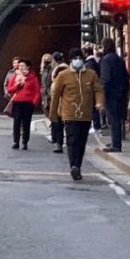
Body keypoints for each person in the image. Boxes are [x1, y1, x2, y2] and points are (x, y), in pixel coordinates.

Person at [47, 53, 104, 182]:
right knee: (72, 140)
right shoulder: (63, 75)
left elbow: (99, 89)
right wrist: (53, 114)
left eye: (80, 58)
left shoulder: (91, 74)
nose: (78, 60)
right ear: (71, 60)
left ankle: (78, 164)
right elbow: (56, 95)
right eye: (75, 58)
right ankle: (73, 165)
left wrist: (99, 102)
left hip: (85, 114)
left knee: (82, 141)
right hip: (69, 113)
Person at [3, 57, 41, 150]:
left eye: (23, 65)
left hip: (28, 103)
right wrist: (17, 85)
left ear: (27, 67)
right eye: (19, 65)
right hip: (17, 102)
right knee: (16, 122)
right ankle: (16, 141)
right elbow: (9, 89)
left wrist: (34, 102)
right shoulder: (15, 77)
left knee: (26, 123)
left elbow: (37, 91)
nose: (20, 67)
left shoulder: (33, 78)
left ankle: (25, 141)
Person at [99, 40, 130, 152]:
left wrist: (102, 94)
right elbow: (126, 76)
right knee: (117, 118)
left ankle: (116, 144)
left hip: (111, 94)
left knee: (113, 119)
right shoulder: (119, 59)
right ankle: (115, 141)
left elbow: (106, 79)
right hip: (120, 93)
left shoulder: (106, 60)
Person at [46, 51, 66, 151]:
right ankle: (58, 142)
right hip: (60, 102)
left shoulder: (60, 70)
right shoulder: (64, 68)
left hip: (61, 102)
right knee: (59, 123)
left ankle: (59, 142)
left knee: (59, 123)